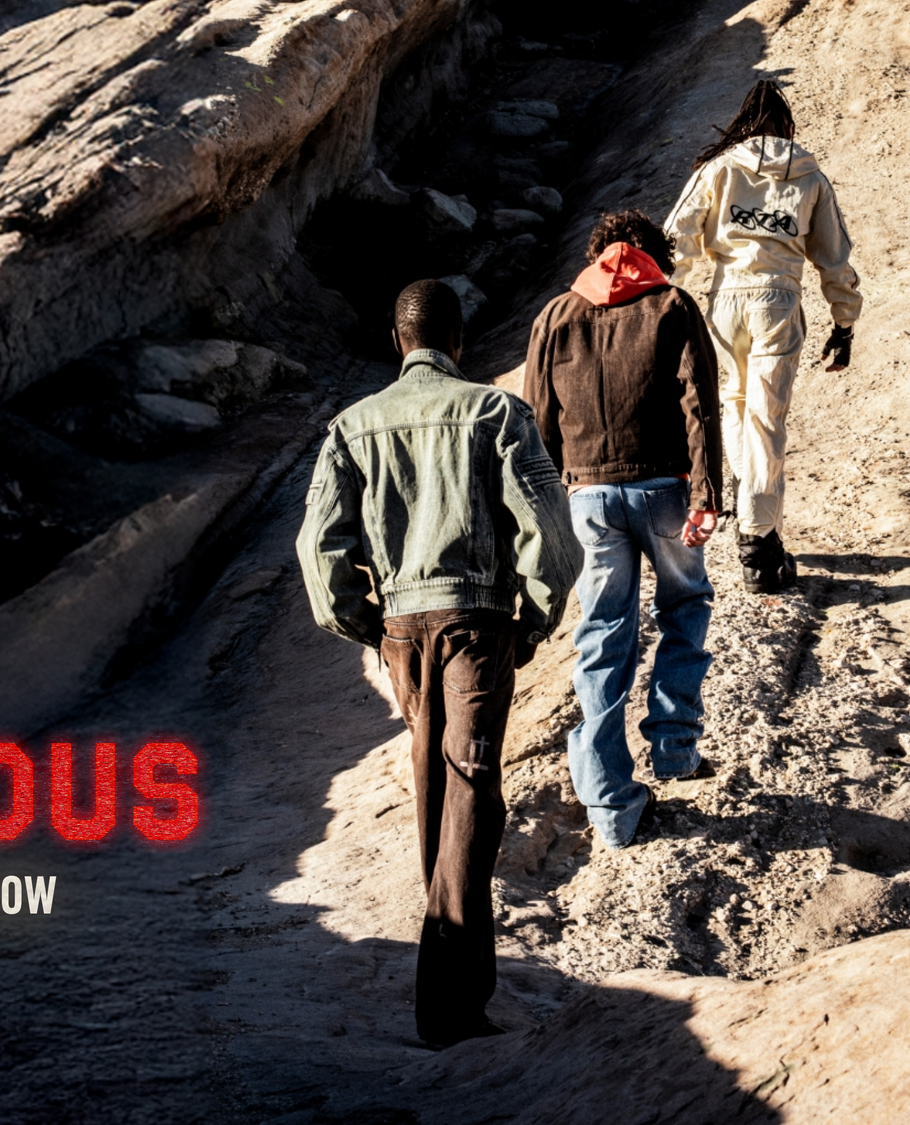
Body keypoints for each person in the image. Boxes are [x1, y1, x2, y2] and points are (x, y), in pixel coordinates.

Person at [296, 279, 580, 1047]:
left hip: (401, 626)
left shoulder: (352, 426)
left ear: (399, 341)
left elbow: (319, 550)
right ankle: (450, 1006)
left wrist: (367, 628)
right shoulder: (495, 413)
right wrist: (533, 621)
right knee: (469, 790)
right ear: (459, 338)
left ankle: (455, 994)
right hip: (476, 622)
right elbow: (551, 534)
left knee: (437, 788)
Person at [521, 210, 723, 848]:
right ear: (656, 254)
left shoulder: (556, 315)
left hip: (586, 498)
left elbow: (538, 418)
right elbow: (700, 404)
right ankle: (675, 749)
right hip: (664, 491)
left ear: (596, 253)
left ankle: (610, 806)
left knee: (603, 635)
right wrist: (707, 495)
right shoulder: (672, 305)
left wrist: (552, 508)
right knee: (685, 605)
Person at [664, 78, 863, 593]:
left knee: (734, 406)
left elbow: (677, 238)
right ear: (788, 127)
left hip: (725, 302)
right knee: (767, 419)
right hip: (778, 299)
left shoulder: (719, 168)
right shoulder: (811, 176)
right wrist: (844, 322)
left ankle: (746, 495)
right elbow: (834, 257)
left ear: (745, 125)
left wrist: (661, 301)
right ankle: (759, 545)